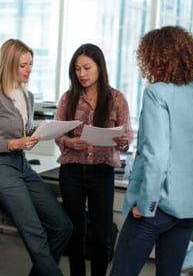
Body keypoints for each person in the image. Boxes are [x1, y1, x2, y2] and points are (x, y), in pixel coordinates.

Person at [109, 26, 193, 275]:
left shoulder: (157, 93)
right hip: (191, 209)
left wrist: (145, 206)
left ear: (153, 57)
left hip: (158, 206)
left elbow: (156, 157)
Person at [0, 38, 73, 276]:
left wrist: (45, 131)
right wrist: (14, 143)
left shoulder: (27, 96)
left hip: (20, 164)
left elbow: (24, 131)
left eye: (30, 64)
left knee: (63, 226)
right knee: (34, 232)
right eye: (23, 65)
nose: (29, 70)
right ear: (9, 65)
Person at [54, 43, 132, 276]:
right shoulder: (68, 98)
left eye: (87, 68)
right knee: (75, 232)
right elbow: (58, 132)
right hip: (72, 171)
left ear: (100, 67)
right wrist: (69, 142)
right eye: (77, 69)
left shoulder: (116, 99)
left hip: (102, 172)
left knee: (101, 234)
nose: (82, 74)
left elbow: (126, 137)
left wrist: (122, 142)